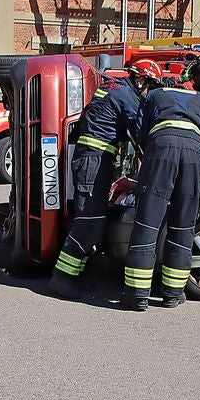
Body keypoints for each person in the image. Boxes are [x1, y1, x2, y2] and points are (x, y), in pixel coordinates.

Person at [122, 61, 200, 311]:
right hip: (193, 153)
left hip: (161, 149)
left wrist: (153, 153)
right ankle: (172, 294)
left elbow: (139, 129)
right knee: (183, 223)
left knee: (148, 221)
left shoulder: (155, 95)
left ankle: (138, 295)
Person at [48, 67, 146, 300]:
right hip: (95, 160)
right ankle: (62, 279)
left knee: (88, 220)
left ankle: (74, 275)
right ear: (141, 79)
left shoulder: (109, 88)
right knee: (89, 224)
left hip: (92, 159)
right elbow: (139, 129)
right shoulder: (125, 95)